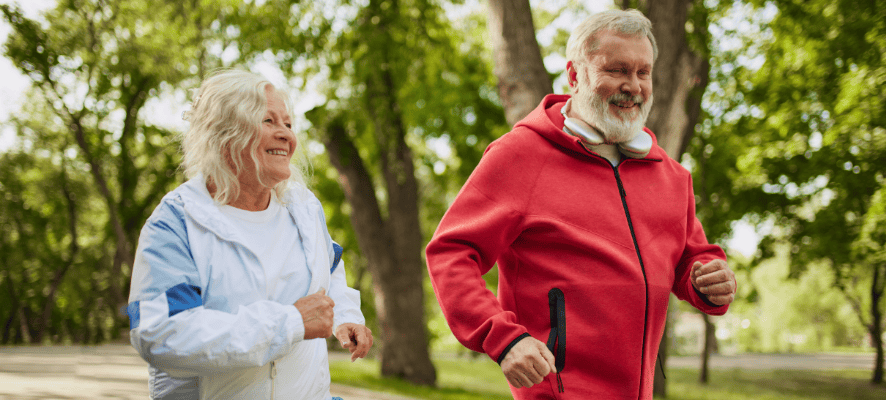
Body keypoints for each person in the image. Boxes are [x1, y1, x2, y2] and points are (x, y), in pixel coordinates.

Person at [425, 9, 736, 399]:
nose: (633, 86)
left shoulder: (672, 176)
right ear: (575, 76)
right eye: (617, 70)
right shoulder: (519, 156)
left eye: (643, 73)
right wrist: (501, 337)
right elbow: (451, 252)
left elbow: (692, 259)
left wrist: (709, 279)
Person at [126, 69, 372, 399]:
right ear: (224, 133)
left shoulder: (303, 207)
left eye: (287, 123)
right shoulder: (177, 221)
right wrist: (290, 322)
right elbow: (162, 334)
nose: (287, 135)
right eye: (268, 121)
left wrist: (345, 316)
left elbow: (328, 268)